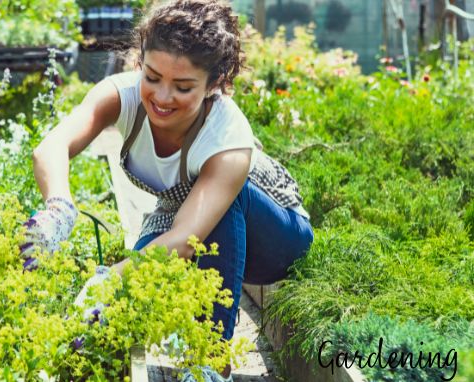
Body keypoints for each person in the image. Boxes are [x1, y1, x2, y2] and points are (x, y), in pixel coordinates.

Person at [20, 0, 314, 380]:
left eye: (183, 87)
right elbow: (50, 147)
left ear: (214, 85)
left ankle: (211, 361)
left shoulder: (227, 135)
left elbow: (185, 241)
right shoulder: (121, 96)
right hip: (187, 218)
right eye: (153, 77)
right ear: (140, 62)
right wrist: (58, 207)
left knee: (167, 249)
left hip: (275, 238)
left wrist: (110, 278)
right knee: (126, 300)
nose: (161, 97)